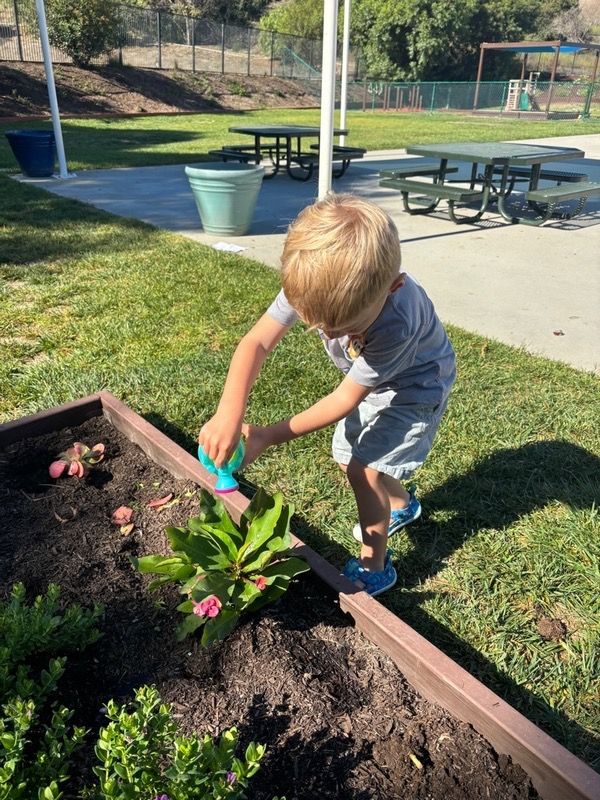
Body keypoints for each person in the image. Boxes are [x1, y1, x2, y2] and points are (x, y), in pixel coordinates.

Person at [198, 194, 456, 596]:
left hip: (415, 385)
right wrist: (228, 412)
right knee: (347, 458)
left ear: (394, 287)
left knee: (363, 470)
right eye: (316, 322)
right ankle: (404, 505)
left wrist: (267, 434)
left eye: (345, 326)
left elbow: (343, 399)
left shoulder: (396, 322)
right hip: (373, 380)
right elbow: (257, 343)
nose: (331, 333)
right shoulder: (314, 278)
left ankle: (376, 567)